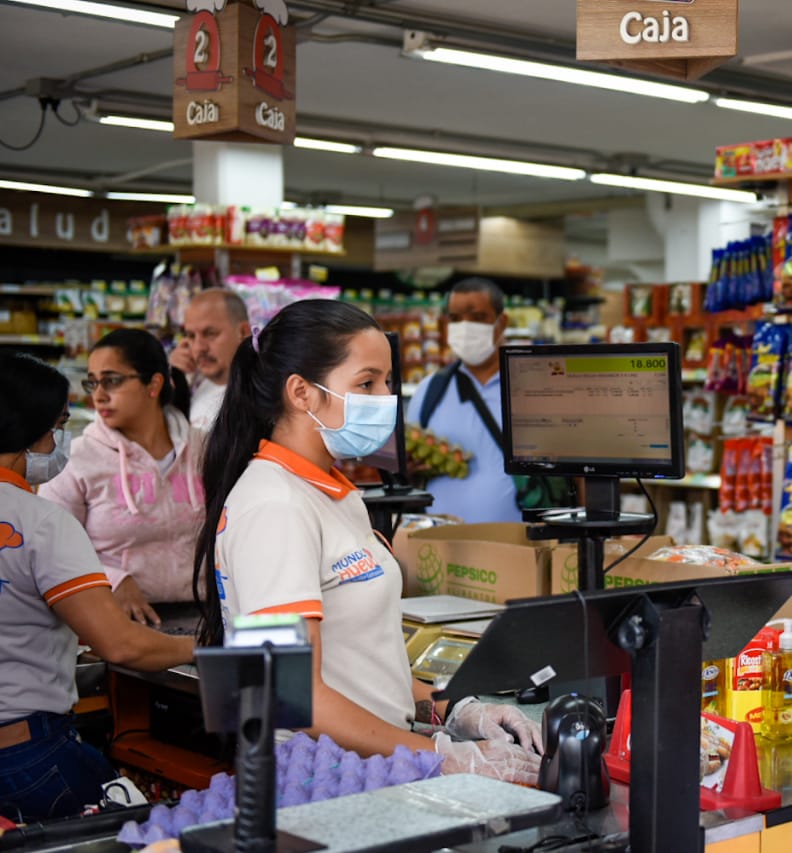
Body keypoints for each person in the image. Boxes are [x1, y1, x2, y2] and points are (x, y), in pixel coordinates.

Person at [194, 299, 541, 783]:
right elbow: (292, 698)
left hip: (375, 768)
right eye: (367, 383)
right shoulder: (273, 506)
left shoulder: (333, 493)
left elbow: (363, 664)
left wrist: (453, 708)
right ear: (302, 393)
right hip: (320, 778)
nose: (386, 398)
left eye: (388, 382)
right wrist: (440, 755)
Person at [0, 352, 194, 823]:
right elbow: (121, 644)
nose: (61, 441)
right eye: (58, 425)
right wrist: (206, 646)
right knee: (148, 829)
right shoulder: (40, 522)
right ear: (30, 429)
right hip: (29, 756)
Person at [41, 329, 205, 625]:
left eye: (112, 381)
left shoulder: (205, 450)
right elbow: (51, 550)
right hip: (113, 622)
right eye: (93, 382)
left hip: (205, 614)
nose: (98, 395)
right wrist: (112, 579)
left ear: (153, 384)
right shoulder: (76, 460)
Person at [407, 278, 521, 523]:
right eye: (456, 319)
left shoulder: (531, 387)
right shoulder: (430, 390)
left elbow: (576, 471)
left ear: (501, 323)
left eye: (478, 317)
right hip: (441, 547)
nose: (465, 327)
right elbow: (408, 469)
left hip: (521, 547)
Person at [169, 289, 252, 431]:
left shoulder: (263, 397)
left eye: (210, 334)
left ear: (243, 332)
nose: (198, 347)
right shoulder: (199, 385)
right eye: (191, 336)